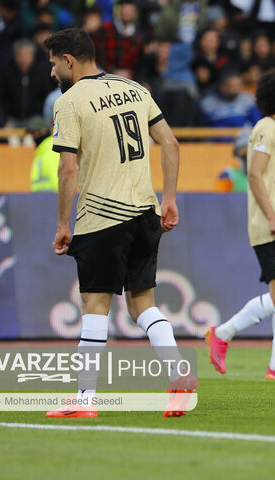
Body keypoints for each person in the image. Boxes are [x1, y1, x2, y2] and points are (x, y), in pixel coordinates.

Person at [43, 28, 195, 418]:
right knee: (143, 304)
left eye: (53, 63)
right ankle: (178, 374)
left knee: (95, 306)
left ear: (69, 61)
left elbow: (68, 167)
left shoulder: (70, 101)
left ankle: (85, 400)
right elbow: (172, 144)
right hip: (145, 213)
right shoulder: (135, 89)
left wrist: (63, 223)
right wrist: (170, 199)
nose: (51, 72)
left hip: (101, 217)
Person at [205, 68, 275, 381]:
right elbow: (254, 174)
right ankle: (222, 334)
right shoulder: (265, 128)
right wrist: (271, 217)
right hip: (272, 223)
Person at [28, 116, 60, 192]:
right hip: (43, 200)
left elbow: (57, 181)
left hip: (50, 200)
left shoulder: (50, 150)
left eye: (34, 133)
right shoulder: (43, 150)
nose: (33, 136)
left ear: (43, 131)